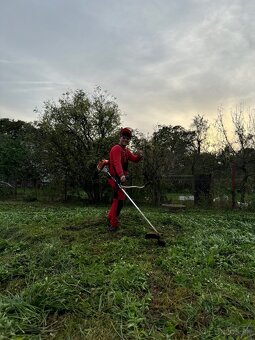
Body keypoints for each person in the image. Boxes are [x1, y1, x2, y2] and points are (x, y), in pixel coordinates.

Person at [107, 127, 143, 231]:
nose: (126, 139)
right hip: (116, 178)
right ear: (120, 137)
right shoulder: (116, 149)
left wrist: (139, 156)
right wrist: (121, 175)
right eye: (124, 137)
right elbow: (116, 163)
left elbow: (134, 159)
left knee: (116, 200)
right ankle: (114, 224)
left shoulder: (126, 151)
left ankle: (110, 217)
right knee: (119, 202)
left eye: (128, 138)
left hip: (121, 178)